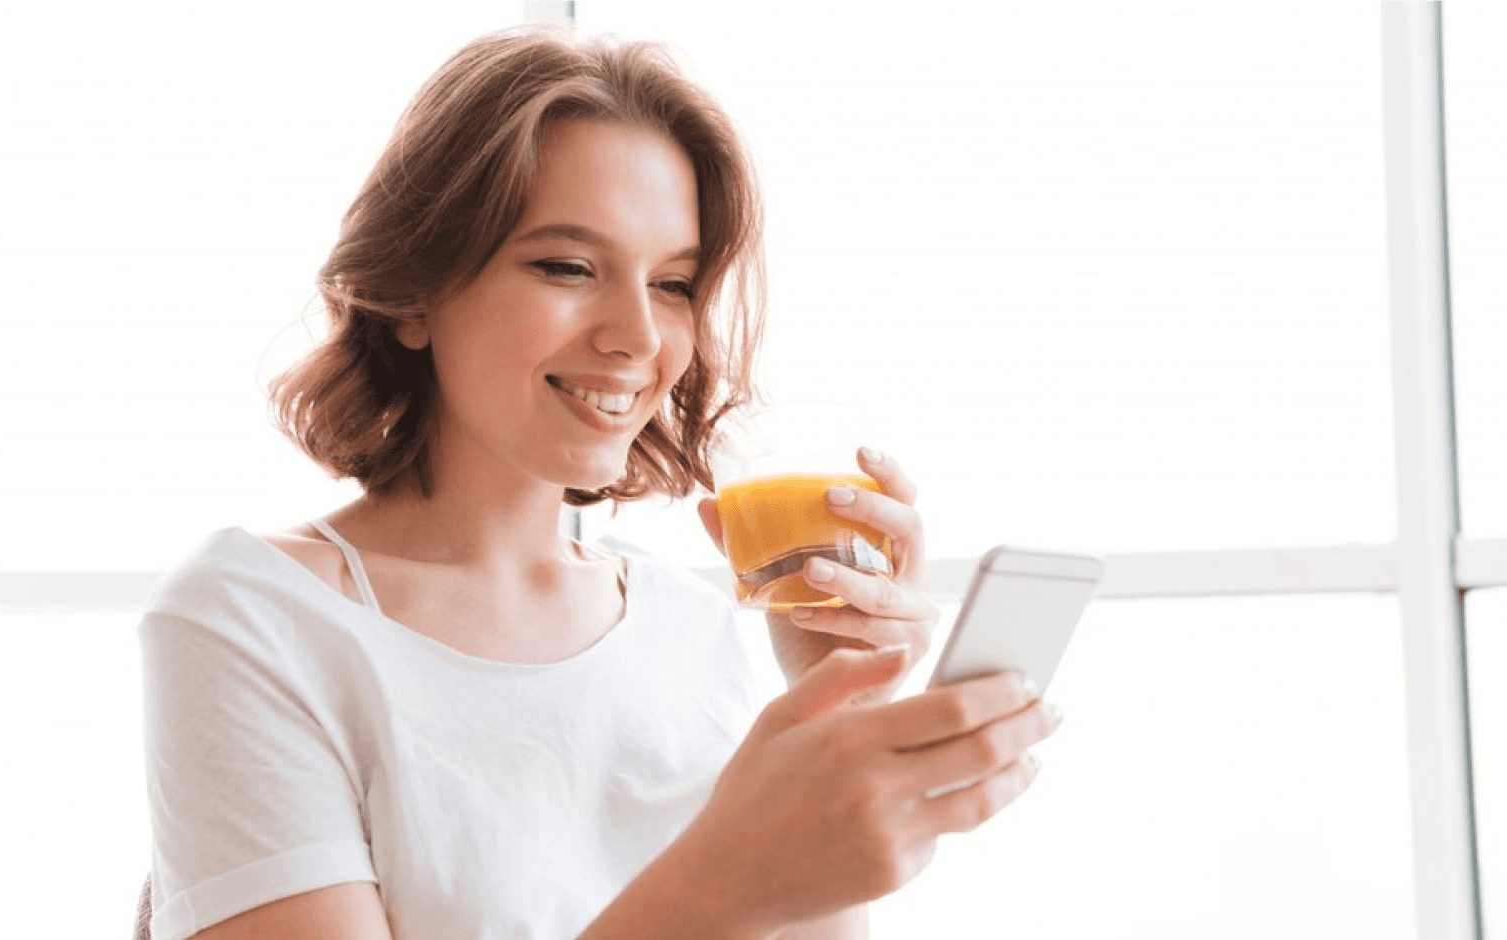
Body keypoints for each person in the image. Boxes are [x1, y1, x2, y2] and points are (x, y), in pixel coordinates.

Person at [138, 25, 1060, 940]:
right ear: (415, 296)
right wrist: (726, 877)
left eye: (672, 283)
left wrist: (834, 718)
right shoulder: (254, 620)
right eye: (568, 267)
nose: (640, 338)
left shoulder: (688, 630)